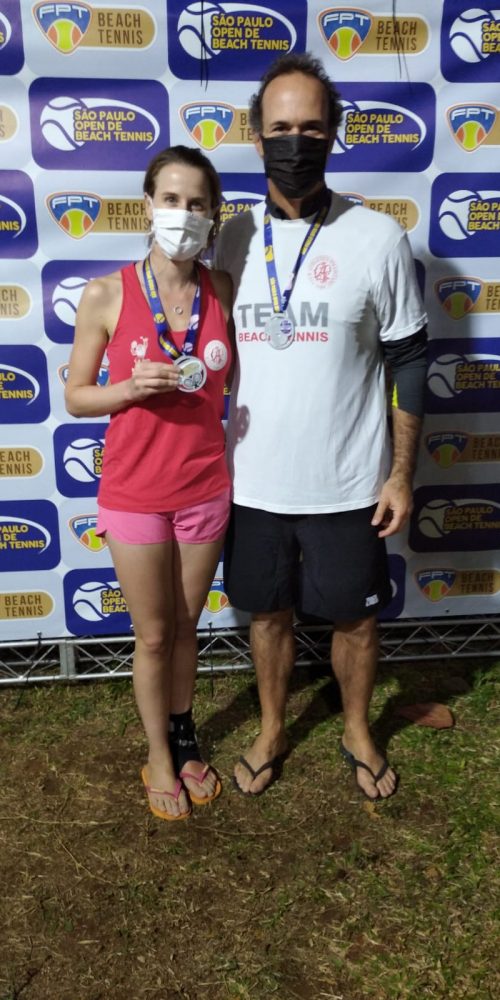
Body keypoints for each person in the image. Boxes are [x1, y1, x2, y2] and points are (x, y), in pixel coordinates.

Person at [215, 54, 428, 801]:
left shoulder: (377, 237)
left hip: (349, 482)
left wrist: (400, 473)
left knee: (357, 623)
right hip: (252, 482)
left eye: (311, 128)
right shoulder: (229, 239)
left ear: (333, 135)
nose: (295, 142)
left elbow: (408, 359)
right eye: (280, 128)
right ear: (256, 137)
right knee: (266, 616)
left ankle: (357, 729)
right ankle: (273, 728)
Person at [65, 145, 234, 821]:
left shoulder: (223, 289)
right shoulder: (106, 293)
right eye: (171, 200)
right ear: (147, 206)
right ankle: (158, 756)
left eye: (197, 203)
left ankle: (184, 736)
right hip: (135, 492)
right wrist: (129, 389)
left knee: (187, 626)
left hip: (205, 487)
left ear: (212, 215)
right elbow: (77, 397)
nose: (183, 215)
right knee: (155, 635)